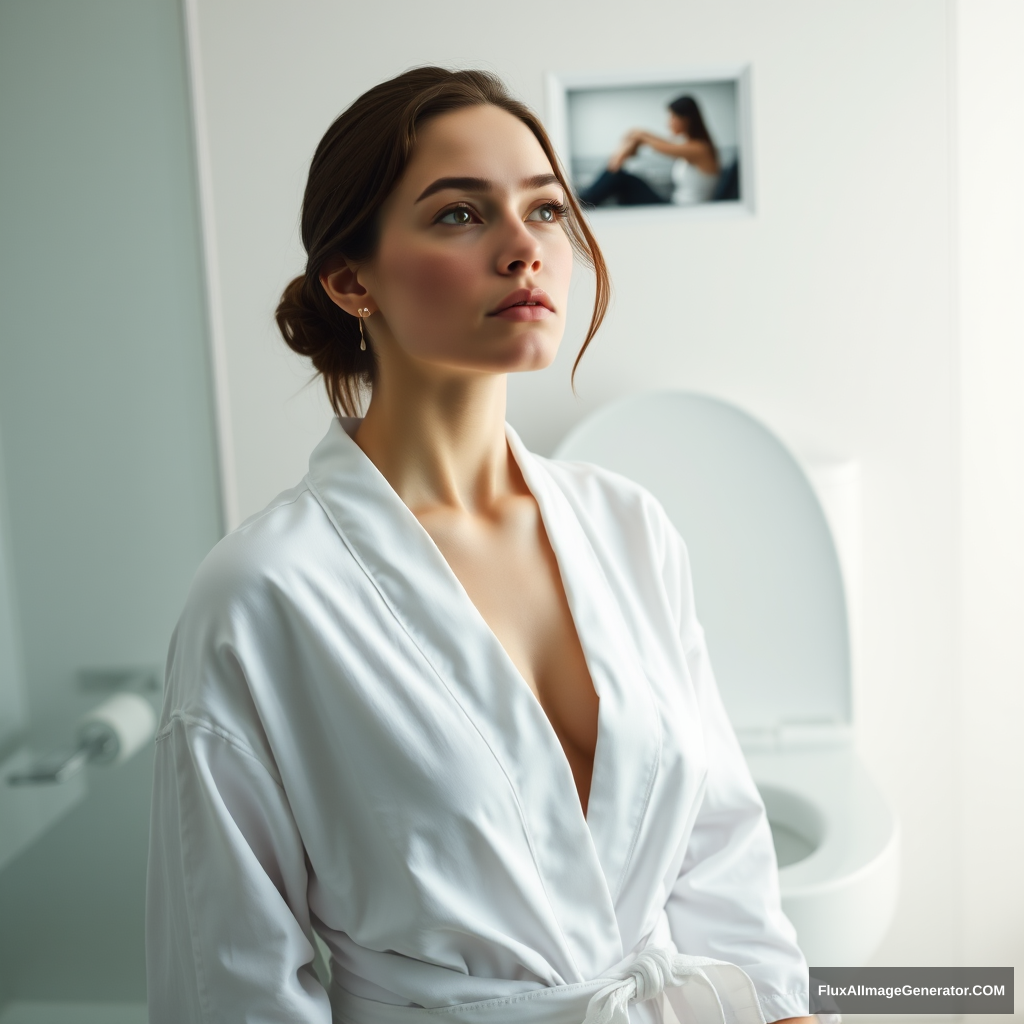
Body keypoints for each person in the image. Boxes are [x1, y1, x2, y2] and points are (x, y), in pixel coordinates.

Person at [146, 67, 813, 1024]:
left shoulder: (629, 526)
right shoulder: (262, 596)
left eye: (546, 211)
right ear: (351, 279)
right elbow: (231, 981)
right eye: (461, 214)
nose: (523, 249)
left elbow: (721, 852)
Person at [579, 95, 721, 207]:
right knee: (621, 181)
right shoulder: (691, 146)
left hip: (681, 211)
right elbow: (659, 141)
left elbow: (661, 145)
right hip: (676, 206)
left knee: (621, 178)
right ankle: (585, 201)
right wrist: (636, 135)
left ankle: (583, 203)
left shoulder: (700, 149)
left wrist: (635, 141)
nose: (668, 122)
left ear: (686, 119)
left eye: (672, 117)